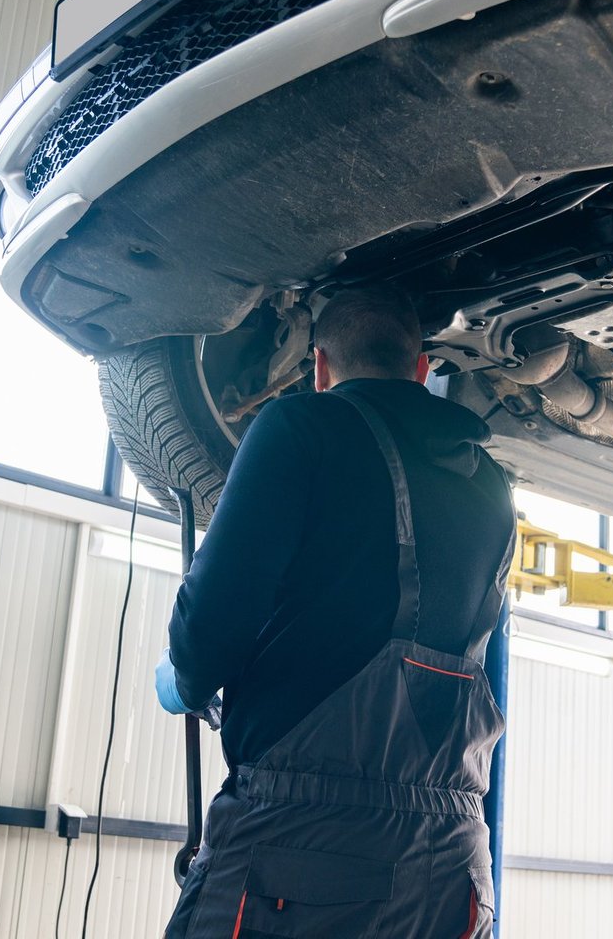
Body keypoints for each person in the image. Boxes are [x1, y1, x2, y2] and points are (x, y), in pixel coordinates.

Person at [155, 286, 515, 939]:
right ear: (422, 368)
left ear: (318, 368)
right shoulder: (491, 484)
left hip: (302, 852)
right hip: (455, 862)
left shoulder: (301, 428)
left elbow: (213, 622)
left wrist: (182, 678)